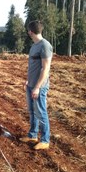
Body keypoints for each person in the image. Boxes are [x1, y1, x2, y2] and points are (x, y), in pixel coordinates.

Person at [20, 20, 53, 150]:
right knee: (32, 111)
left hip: (39, 87)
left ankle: (45, 140)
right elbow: (33, 67)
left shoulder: (45, 45)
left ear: (30, 32)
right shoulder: (34, 46)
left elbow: (45, 69)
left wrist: (37, 87)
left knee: (41, 112)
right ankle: (33, 135)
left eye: (28, 30)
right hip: (31, 85)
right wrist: (28, 81)